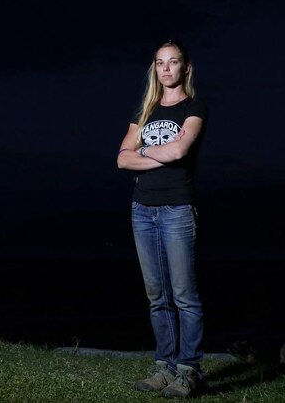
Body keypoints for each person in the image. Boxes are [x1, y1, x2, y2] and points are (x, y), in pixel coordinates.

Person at [116, 39, 209, 398]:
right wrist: (161, 155)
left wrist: (143, 151)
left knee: (184, 294)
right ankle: (165, 367)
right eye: (159, 62)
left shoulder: (194, 107)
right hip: (142, 210)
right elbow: (122, 159)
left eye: (173, 62)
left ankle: (188, 370)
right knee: (157, 296)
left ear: (186, 67)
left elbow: (181, 149)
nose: (166, 68)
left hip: (176, 210)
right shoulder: (145, 110)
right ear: (154, 68)